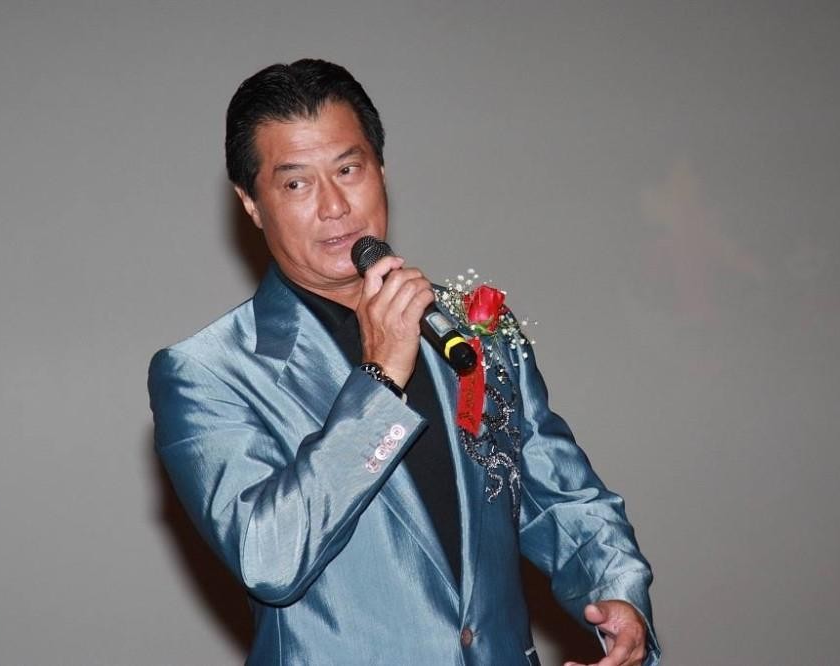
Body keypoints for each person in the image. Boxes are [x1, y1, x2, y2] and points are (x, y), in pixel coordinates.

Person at [149, 58, 659, 666]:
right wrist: (380, 378)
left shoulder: (472, 327)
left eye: (348, 169)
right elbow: (269, 558)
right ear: (252, 205)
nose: (334, 206)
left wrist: (615, 591)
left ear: (381, 170)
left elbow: (557, 495)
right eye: (296, 184)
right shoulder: (206, 373)